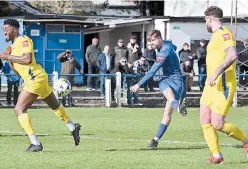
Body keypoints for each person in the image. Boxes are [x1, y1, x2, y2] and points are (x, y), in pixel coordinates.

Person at [0, 19, 81, 152]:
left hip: (35, 78)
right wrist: (9, 58)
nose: (4, 32)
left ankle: (35, 143)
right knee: (54, 105)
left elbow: (28, 59)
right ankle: (73, 127)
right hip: (36, 78)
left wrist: (9, 57)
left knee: (19, 109)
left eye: (6, 28)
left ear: (14, 29)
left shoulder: (24, 39)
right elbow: (18, 70)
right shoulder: (13, 47)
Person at [200, 6, 248, 164]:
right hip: (210, 86)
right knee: (204, 120)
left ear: (210, 19)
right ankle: (217, 156)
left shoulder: (224, 33)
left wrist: (217, 72)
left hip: (224, 85)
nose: (205, 24)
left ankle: (246, 141)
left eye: (205, 20)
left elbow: (233, 55)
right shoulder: (214, 36)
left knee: (217, 124)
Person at [131, 30, 187, 148]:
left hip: (171, 79)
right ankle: (156, 139)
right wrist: (153, 47)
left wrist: (138, 85)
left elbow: (152, 71)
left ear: (159, 39)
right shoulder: (167, 44)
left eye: (153, 41)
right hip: (175, 80)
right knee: (167, 111)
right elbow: (175, 46)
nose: (151, 43)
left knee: (167, 108)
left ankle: (177, 106)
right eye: (150, 41)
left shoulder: (164, 52)